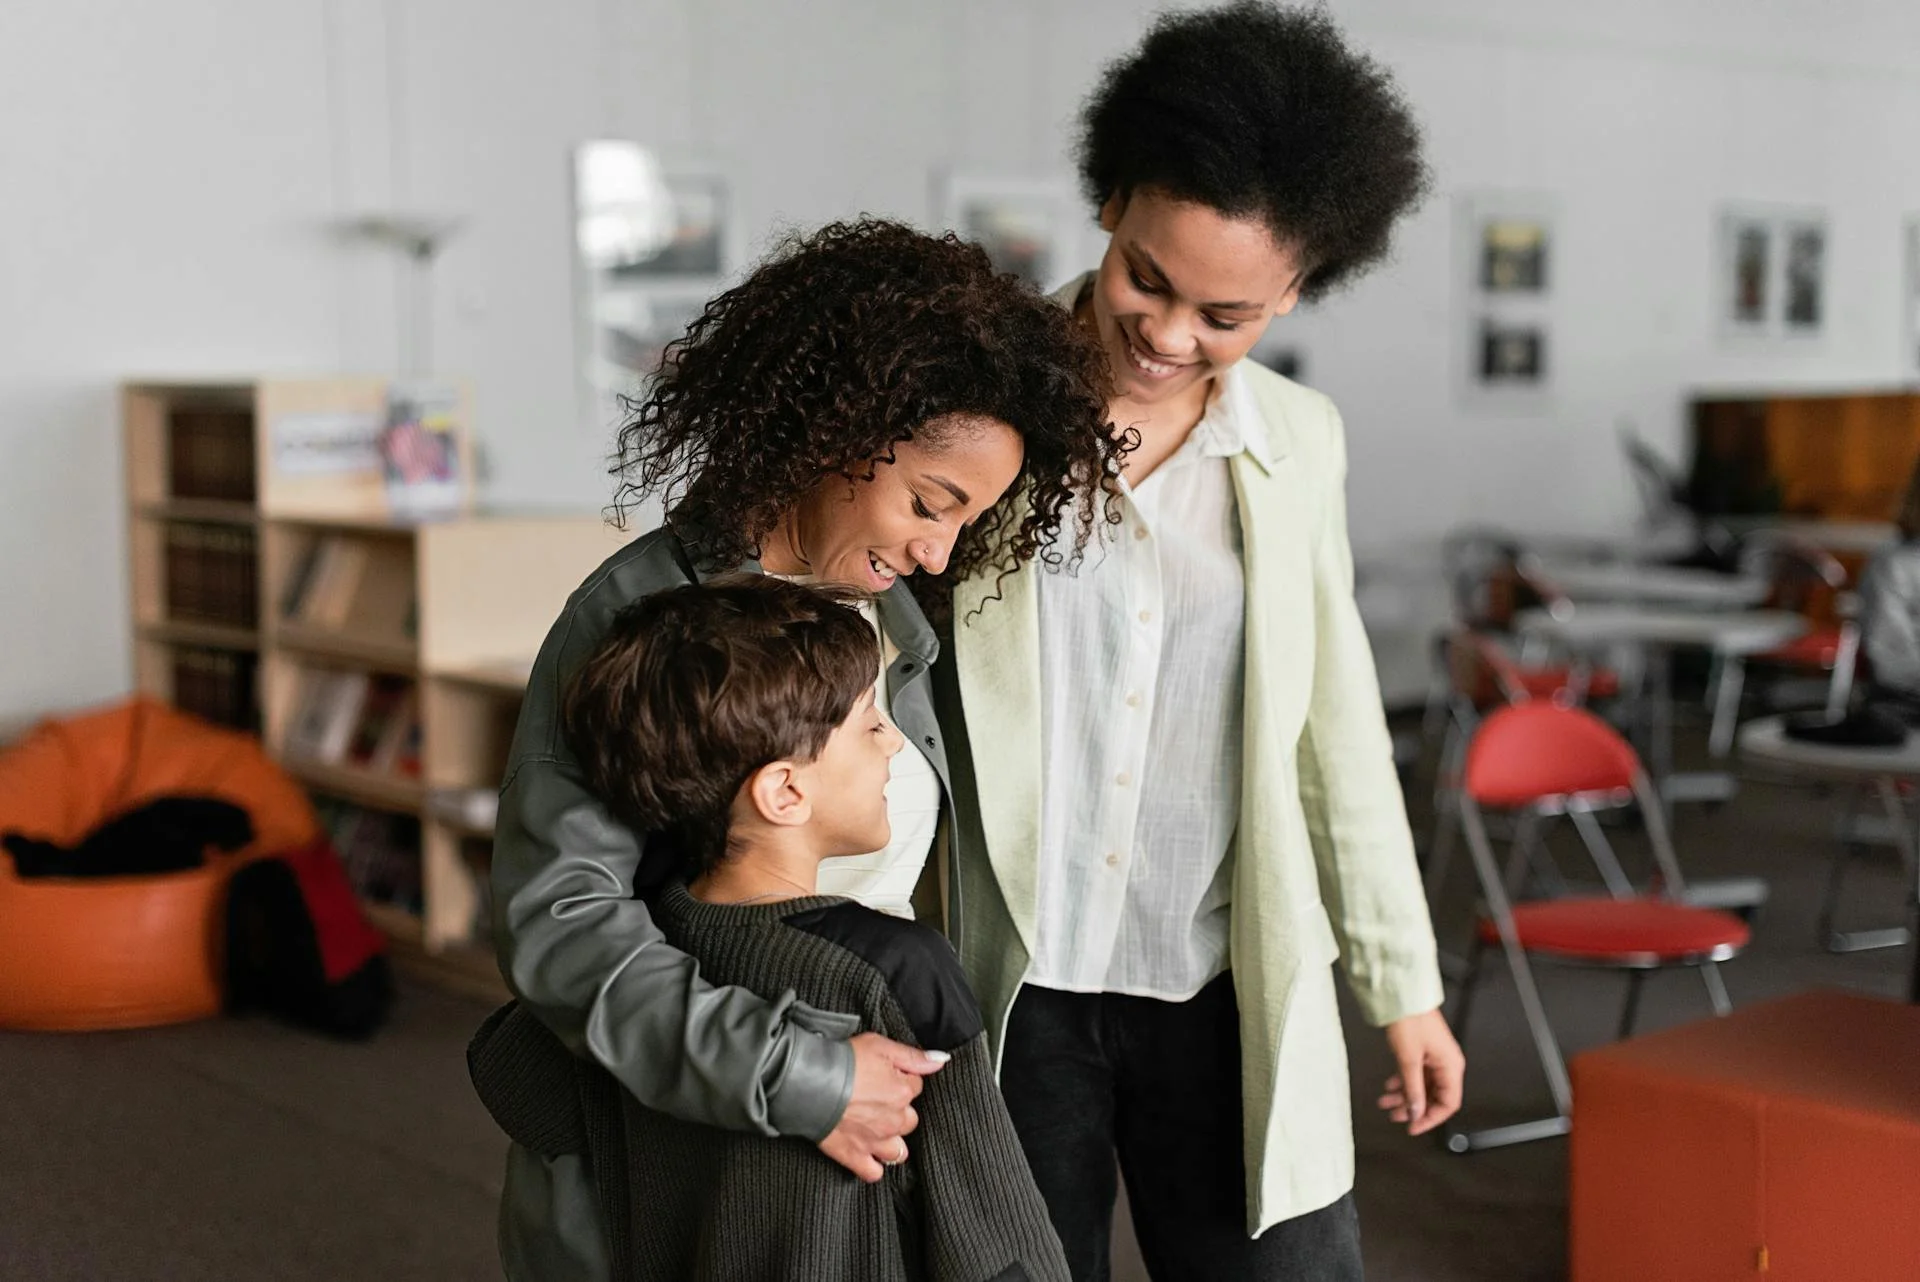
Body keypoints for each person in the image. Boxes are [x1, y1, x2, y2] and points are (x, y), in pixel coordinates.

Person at [474, 218, 1121, 1280]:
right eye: (929, 503)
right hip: (678, 1144)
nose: (937, 550)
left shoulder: (901, 619)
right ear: (836, 434)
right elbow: (562, 922)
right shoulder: (643, 617)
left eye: (970, 522)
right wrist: (802, 1077)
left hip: (851, 1143)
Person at [931, 6, 1464, 1279]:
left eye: (1226, 314)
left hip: (1223, 980)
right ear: (1111, 202)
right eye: (1147, 279)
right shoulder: (972, 406)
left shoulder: (1299, 443)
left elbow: (1336, 728)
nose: (1170, 336)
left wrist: (1407, 984)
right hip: (1011, 980)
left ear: (1296, 292)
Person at [509, 575, 1067, 1281]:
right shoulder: (898, 969)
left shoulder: (633, 959)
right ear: (784, 791)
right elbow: (994, 1231)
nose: (894, 744)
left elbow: (523, 1100)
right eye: (871, 723)